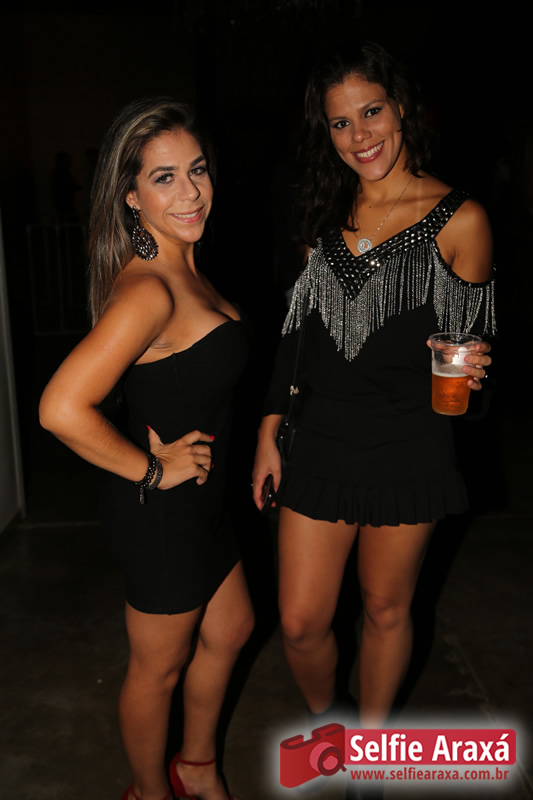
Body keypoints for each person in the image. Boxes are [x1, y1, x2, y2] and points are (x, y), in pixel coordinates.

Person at [252, 42, 495, 731]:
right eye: (340, 122)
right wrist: (268, 433)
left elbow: (470, 362)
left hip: (408, 441)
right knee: (300, 622)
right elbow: (296, 338)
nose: (359, 136)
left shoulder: (462, 219)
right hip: (320, 438)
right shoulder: (321, 210)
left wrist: (473, 371)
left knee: (387, 608)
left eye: (371, 112)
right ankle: (331, 720)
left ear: (401, 109)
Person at [40, 98, 253, 800]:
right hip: (161, 514)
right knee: (156, 672)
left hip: (203, 504)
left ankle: (196, 766)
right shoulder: (148, 290)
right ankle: (148, 792)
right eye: (164, 178)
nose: (190, 192)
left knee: (232, 629)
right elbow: (60, 408)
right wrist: (153, 470)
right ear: (130, 195)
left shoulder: (184, 265)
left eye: (197, 170)